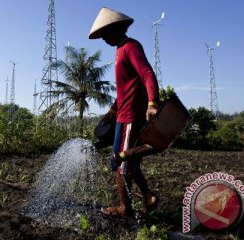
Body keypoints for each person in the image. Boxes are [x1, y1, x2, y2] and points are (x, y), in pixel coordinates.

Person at [89, 7, 160, 218]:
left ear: (117, 29)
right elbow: (125, 88)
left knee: (120, 161)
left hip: (130, 117)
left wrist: (152, 103)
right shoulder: (120, 50)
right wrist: (111, 112)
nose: (103, 39)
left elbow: (147, 74)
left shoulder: (130, 47)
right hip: (122, 115)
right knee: (128, 161)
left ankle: (125, 209)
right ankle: (147, 196)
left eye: (105, 33)